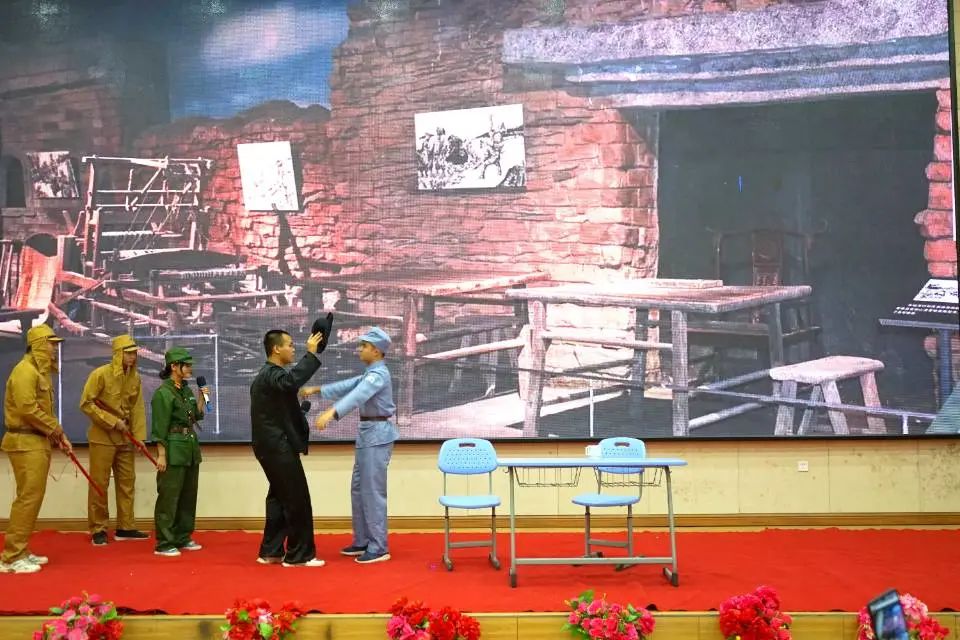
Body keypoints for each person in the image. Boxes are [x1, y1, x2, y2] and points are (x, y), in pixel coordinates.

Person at [303, 326, 398, 564]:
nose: (359, 350)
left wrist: (331, 412)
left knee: (372, 492)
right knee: (358, 489)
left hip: (377, 435)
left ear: (376, 351)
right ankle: (363, 540)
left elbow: (358, 395)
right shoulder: (371, 373)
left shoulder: (378, 375)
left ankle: (379, 547)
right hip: (368, 433)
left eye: (364, 346)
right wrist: (318, 390)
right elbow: (349, 385)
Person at [250, 327, 327, 568]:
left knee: (279, 498)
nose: (294, 349)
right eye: (290, 345)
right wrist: (311, 354)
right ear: (276, 349)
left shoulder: (270, 375)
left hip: (271, 446)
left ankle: (270, 551)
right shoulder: (271, 374)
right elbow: (291, 382)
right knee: (297, 500)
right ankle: (299, 555)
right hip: (277, 447)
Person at [0, 324, 72, 574]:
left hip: (36, 440)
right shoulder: (25, 371)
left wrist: (57, 436)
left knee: (32, 497)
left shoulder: (38, 372)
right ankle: (11, 557)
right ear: (39, 344)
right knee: (28, 498)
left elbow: (41, 412)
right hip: (24, 441)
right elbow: (27, 409)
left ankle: (20, 549)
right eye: (51, 343)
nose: (54, 349)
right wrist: (56, 429)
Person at [79, 335, 148, 546]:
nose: (133, 357)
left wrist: (139, 437)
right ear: (118, 354)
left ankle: (126, 527)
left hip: (125, 439)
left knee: (127, 483)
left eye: (134, 353)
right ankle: (98, 528)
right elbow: (86, 403)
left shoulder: (135, 378)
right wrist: (112, 421)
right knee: (99, 484)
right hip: (102, 438)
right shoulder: (100, 374)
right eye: (128, 353)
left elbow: (137, 408)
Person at [151, 346, 207, 557]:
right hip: (173, 450)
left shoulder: (186, 390)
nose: (190, 368)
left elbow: (196, 416)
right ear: (174, 367)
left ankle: (183, 537)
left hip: (190, 448)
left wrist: (202, 398)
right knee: (169, 497)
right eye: (187, 365)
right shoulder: (163, 393)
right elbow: (159, 428)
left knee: (188, 496)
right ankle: (165, 542)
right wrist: (161, 454)